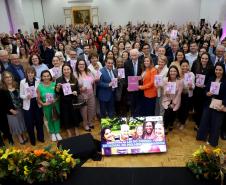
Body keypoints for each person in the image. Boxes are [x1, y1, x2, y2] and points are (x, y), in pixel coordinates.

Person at [197, 62, 226, 147]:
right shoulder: (211, 78)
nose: (218, 71)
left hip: (219, 105)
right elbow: (205, 90)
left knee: (216, 124)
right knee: (204, 120)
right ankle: (202, 137)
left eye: (220, 70)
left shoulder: (225, 81)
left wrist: (223, 104)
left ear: (223, 71)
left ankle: (213, 141)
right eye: (216, 69)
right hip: (209, 103)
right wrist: (207, 93)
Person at [1, 71, 27, 144]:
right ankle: (19, 137)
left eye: (10, 76)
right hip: (11, 111)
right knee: (15, 125)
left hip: (21, 108)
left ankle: (24, 134)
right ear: (3, 79)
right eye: (6, 77)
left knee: (22, 123)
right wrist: (11, 110)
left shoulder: (16, 85)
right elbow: (2, 103)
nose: (9, 78)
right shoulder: (2, 90)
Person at [20, 66, 44, 145]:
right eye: (28, 73)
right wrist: (26, 97)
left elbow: (41, 91)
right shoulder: (22, 82)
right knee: (29, 124)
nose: (30, 74)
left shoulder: (38, 80)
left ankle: (40, 138)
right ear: (26, 74)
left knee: (39, 122)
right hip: (28, 105)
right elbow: (21, 95)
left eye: (32, 73)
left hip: (37, 104)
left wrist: (39, 94)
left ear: (34, 74)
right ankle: (32, 140)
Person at [55, 64, 81, 137]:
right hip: (64, 102)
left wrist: (76, 92)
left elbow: (78, 90)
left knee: (75, 115)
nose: (66, 71)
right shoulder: (59, 80)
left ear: (71, 70)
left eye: (68, 69)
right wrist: (58, 88)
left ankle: (76, 129)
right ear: (62, 71)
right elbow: (56, 92)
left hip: (73, 101)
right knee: (66, 116)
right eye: (64, 69)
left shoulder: (74, 79)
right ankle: (68, 130)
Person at [37, 70, 62, 142]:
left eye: (48, 76)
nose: (46, 77)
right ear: (42, 77)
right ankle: (52, 132)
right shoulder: (39, 87)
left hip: (55, 104)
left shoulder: (54, 84)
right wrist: (43, 104)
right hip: (47, 106)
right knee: (49, 119)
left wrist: (56, 99)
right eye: (44, 76)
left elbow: (59, 95)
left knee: (56, 118)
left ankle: (57, 132)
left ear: (50, 76)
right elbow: (38, 99)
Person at [192, 52, 214, 130]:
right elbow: (193, 77)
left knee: (203, 109)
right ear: (200, 59)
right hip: (197, 91)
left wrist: (205, 86)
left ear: (208, 59)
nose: (204, 60)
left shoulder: (211, 68)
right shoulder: (197, 66)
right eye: (203, 58)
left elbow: (212, 80)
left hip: (205, 92)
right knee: (197, 108)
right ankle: (197, 123)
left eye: (206, 58)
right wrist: (194, 83)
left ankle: (201, 125)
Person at [75, 58, 95, 131]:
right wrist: (80, 89)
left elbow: (93, 81)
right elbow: (74, 87)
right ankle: (85, 124)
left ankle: (90, 122)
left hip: (91, 94)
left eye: (83, 64)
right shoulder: (75, 74)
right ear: (77, 65)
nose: (81, 65)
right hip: (82, 95)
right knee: (84, 111)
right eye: (80, 64)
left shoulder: (88, 72)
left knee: (91, 109)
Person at [162, 65, 183, 133]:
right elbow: (164, 93)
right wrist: (166, 92)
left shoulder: (180, 81)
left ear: (177, 72)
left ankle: (171, 124)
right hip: (167, 99)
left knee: (173, 111)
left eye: (174, 71)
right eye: (171, 71)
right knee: (167, 111)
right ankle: (165, 126)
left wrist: (174, 103)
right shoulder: (165, 80)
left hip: (176, 99)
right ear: (169, 72)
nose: (172, 72)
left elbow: (179, 93)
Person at [124, 49, 143, 117]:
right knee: (132, 104)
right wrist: (128, 86)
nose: (134, 57)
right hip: (131, 87)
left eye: (135, 55)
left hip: (140, 87)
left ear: (138, 55)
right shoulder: (126, 63)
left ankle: (138, 117)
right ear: (130, 56)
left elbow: (143, 75)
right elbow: (126, 77)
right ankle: (133, 117)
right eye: (132, 55)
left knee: (139, 104)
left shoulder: (142, 63)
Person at [177, 60, 195, 130]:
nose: (184, 67)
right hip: (179, 94)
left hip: (187, 94)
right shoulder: (179, 74)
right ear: (180, 66)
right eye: (183, 66)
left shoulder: (191, 74)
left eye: (186, 66)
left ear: (188, 66)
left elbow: (193, 86)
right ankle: (179, 119)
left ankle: (183, 123)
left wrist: (191, 86)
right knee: (179, 108)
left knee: (185, 109)